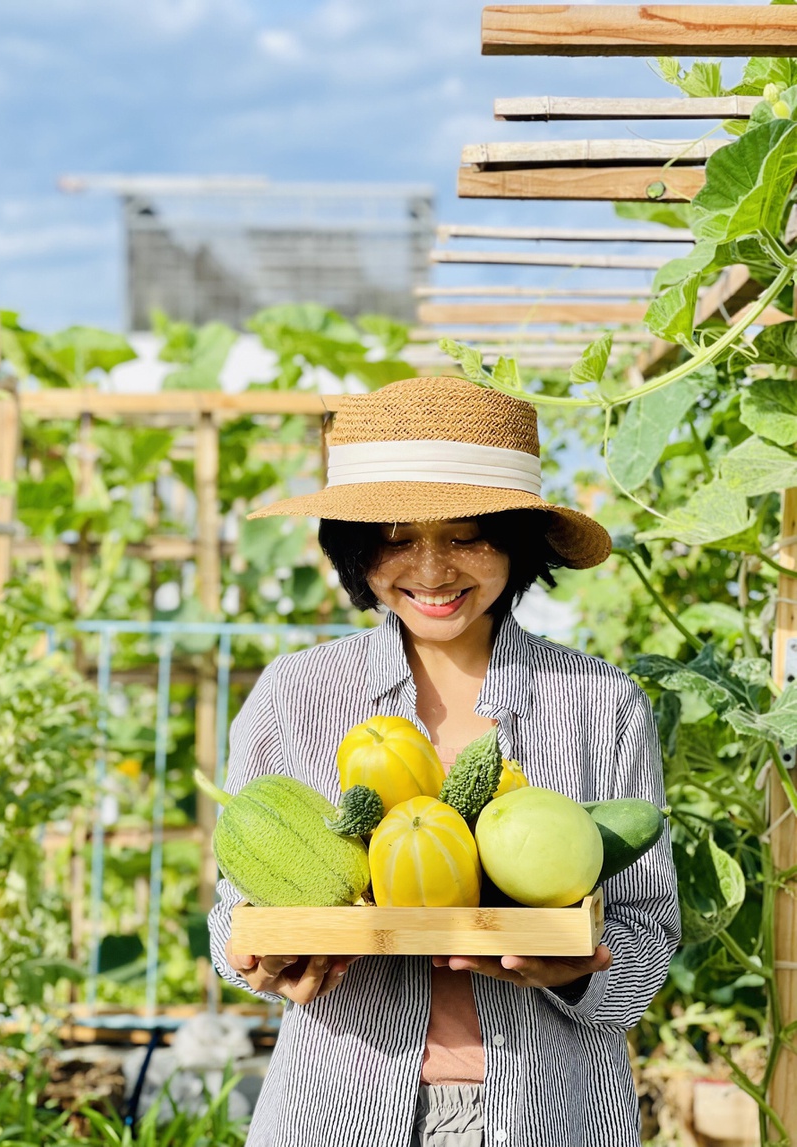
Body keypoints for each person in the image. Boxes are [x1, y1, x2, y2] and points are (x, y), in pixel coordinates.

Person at [208, 375, 680, 1147]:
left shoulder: (602, 702)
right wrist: (261, 963)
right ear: (357, 549)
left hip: (550, 1114)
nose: (430, 570)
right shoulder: (294, 693)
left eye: (467, 535)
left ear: (518, 540)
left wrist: (580, 969)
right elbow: (237, 906)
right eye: (396, 537)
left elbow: (649, 936)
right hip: (335, 1111)